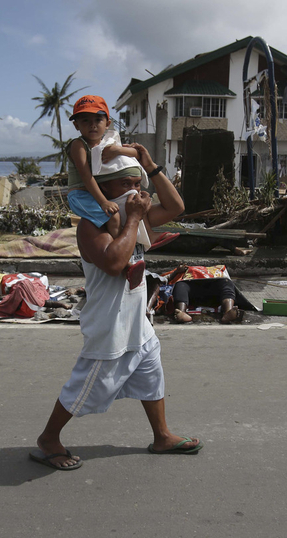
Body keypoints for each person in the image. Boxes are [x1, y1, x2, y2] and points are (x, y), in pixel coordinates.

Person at [30, 143, 203, 470]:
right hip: (111, 326)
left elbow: (176, 205)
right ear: (104, 188)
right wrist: (134, 217)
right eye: (125, 185)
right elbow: (113, 263)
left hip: (137, 320)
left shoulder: (135, 215)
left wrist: (149, 165)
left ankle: (162, 435)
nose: (134, 192)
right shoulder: (90, 226)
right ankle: (48, 438)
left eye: (137, 185)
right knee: (84, 386)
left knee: (152, 375)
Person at [66, 95, 146, 287]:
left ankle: (135, 245)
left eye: (98, 120)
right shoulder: (79, 145)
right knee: (114, 217)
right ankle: (125, 264)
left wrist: (117, 151)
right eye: (85, 121)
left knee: (126, 213)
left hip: (94, 192)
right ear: (77, 125)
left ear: (107, 123)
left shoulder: (107, 144)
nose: (92, 125)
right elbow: (86, 177)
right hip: (80, 195)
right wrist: (103, 202)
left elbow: (137, 153)